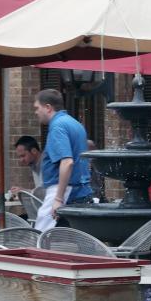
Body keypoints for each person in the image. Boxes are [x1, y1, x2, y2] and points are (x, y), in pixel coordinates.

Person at [33, 89, 94, 232]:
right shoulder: (74, 123)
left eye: (37, 108)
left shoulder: (57, 127)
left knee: (41, 236)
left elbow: (67, 162)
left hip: (63, 189)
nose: (36, 112)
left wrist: (58, 199)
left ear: (48, 107)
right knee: (75, 239)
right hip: (80, 189)